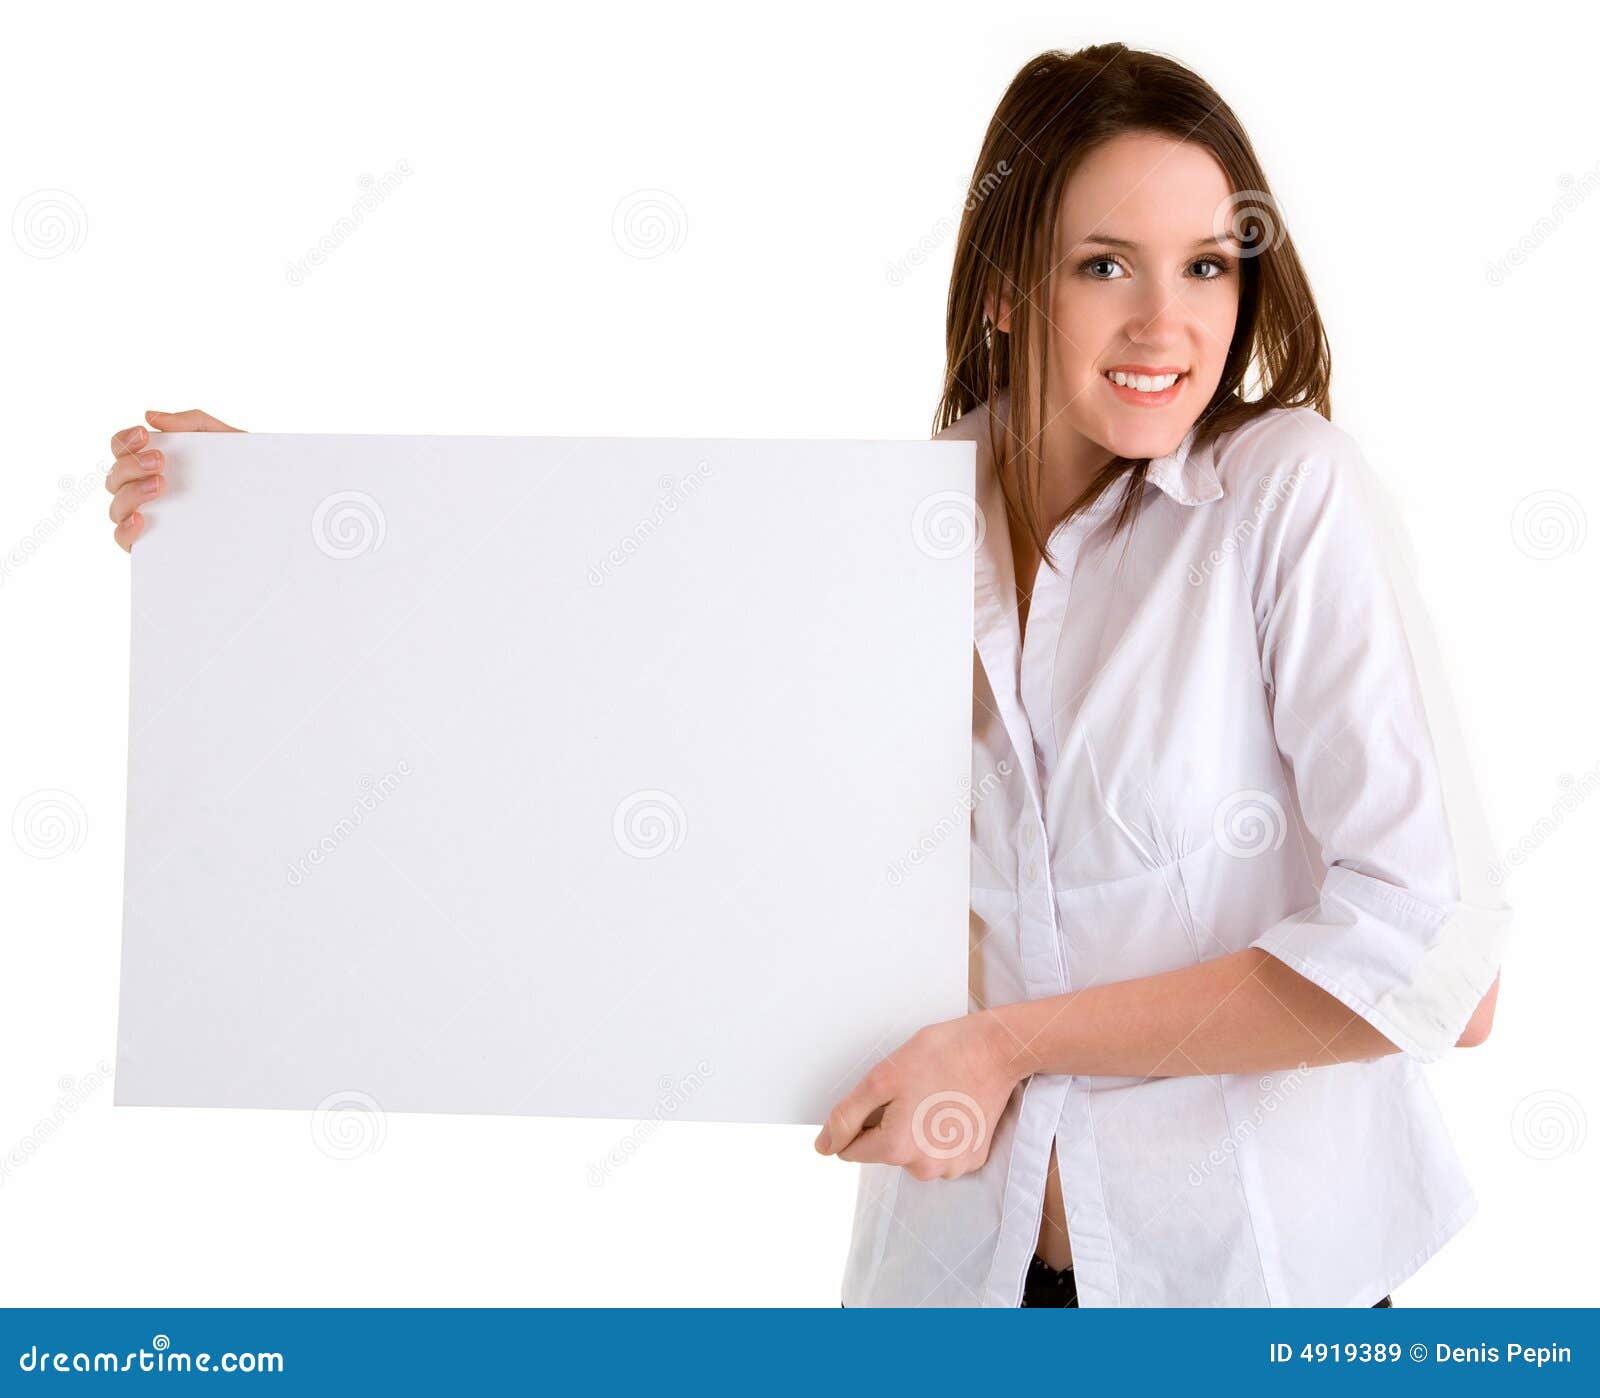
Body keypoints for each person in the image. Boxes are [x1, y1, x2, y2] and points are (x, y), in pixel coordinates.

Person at [103, 40, 1509, 1311]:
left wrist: (1007, 1043)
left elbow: (1435, 958)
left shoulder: (1283, 497)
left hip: (1254, 1291)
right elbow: (572, 681)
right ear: (1010, 286)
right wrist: (271, 524)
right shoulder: (880, 532)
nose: (1167, 323)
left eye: (1208, 263)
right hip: (956, 1283)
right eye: (1106, 263)